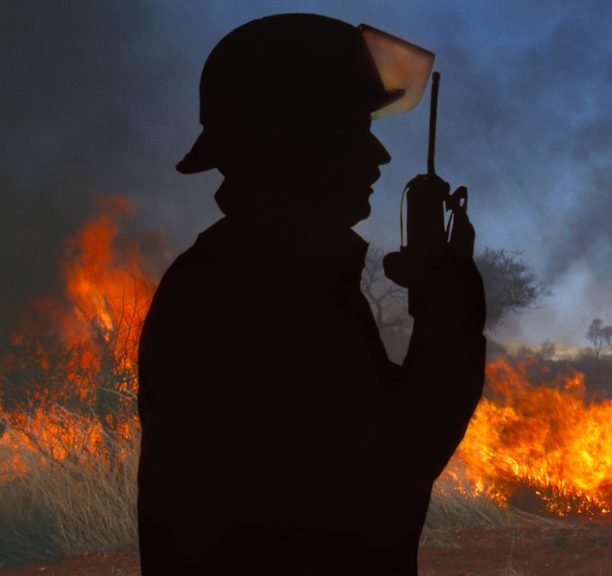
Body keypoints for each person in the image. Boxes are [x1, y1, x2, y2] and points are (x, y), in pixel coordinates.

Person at [136, 14, 486, 575]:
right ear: (293, 142)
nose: (379, 158)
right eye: (354, 130)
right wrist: (448, 300)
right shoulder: (260, 291)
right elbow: (394, 467)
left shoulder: (254, 271)